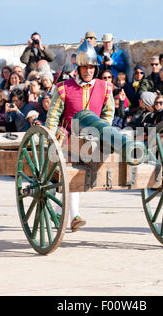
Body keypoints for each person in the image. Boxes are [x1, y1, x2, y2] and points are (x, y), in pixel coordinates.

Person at [46, 40, 115, 232]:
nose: (88, 71)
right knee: (74, 174)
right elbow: (53, 116)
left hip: (94, 139)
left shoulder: (105, 87)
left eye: (91, 68)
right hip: (68, 139)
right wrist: (51, 137)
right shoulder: (63, 88)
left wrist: (103, 132)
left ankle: (59, 212)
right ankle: (74, 216)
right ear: (78, 67)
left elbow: (108, 114)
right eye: (85, 67)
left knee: (76, 176)